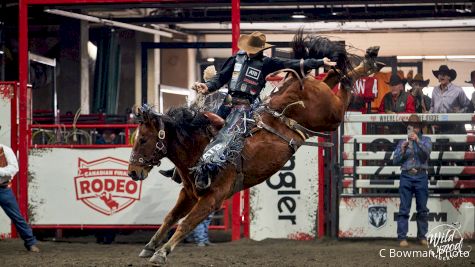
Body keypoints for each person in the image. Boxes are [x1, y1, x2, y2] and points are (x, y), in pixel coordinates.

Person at [191, 31, 337, 189]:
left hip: (244, 108)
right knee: (202, 127)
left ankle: (206, 172)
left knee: (226, 135)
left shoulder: (267, 62)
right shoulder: (237, 57)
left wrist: (320, 62)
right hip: (227, 103)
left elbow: (294, 64)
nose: (249, 51)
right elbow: (220, 78)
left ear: (260, 49)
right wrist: (207, 87)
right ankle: (186, 167)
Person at [393, 114, 432, 247]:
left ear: (420, 128)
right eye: (411, 126)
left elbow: (426, 154)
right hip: (406, 176)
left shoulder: (426, 140)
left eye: (415, 126)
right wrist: (402, 151)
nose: (413, 129)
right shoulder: (402, 143)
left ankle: (422, 236)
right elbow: (395, 160)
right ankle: (402, 237)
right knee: (404, 208)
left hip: (421, 176)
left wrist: (417, 142)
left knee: (422, 209)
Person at [0, 142, 40, 252]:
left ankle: (30, 242)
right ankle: (30, 242)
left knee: (17, 216)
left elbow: (14, 168)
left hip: (3, 188)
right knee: (17, 216)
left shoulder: (5, 150)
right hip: (4, 188)